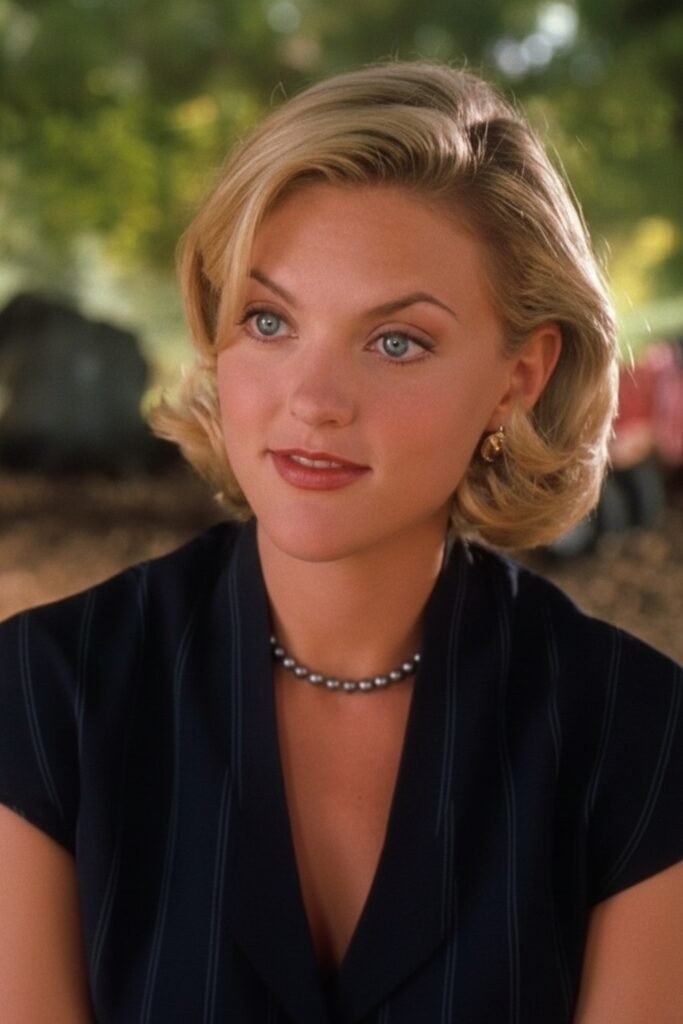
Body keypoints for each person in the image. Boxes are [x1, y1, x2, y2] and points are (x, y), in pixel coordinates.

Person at [0, 61, 681, 1024]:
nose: (313, 401)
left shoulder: (635, 732)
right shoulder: (43, 694)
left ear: (518, 377)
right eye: (268, 320)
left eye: (396, 341)